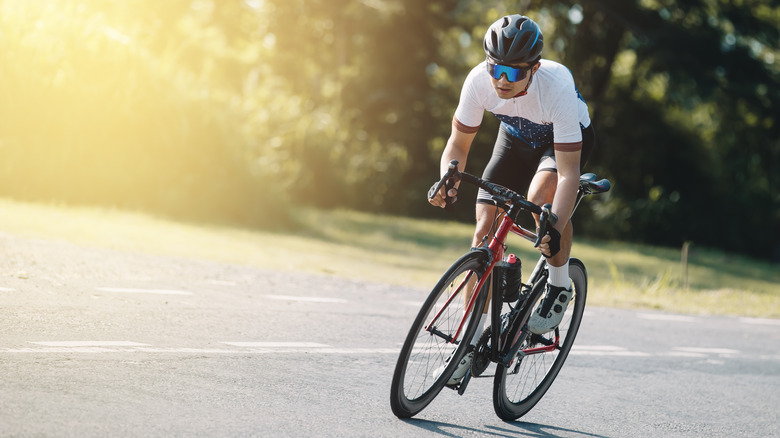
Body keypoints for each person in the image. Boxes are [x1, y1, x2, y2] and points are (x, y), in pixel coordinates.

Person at [429, 14, 595, 385]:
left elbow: (568, 173)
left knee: (540, 206)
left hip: (560, 145)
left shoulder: (557, 87)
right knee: (483, 231)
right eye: (496, 68)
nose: (502, 79)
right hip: (515, 139)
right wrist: (448, 175)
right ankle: (467, 346)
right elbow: (457, 145)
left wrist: (553, 220)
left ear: (534, 69)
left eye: (514, 72)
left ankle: (557, 284)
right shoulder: (478, 82)